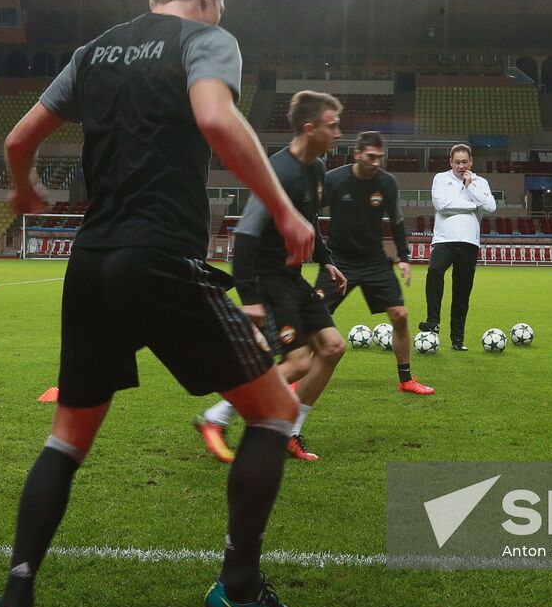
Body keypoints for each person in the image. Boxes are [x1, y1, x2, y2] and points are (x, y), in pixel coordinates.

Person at [0, 0, 315, 607]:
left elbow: (19, 139)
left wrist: (22, 189)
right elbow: (217, 120)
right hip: (159, 258)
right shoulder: (207, 38)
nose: (219, 10)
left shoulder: (95, 51)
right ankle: (240, 589)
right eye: (219, 0)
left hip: (92, 261)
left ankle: (14, 596)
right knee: (275, 413)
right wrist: (285, 211)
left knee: (67, 439)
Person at [193, 91, 349, 464]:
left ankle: (289, 431)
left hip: (292, 276)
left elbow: (307, 218)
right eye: (332, 126)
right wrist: (250, 297)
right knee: (297, 361)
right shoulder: (278, 172)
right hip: (267, 278)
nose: (339, 133)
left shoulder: (316, 169)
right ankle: (216, 417)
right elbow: (246, 233)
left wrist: (325, 259)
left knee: (331, 348)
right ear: (309, 129)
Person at [316, 130, 433, 395]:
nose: (376, 162)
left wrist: (403, 258)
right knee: (315, 318)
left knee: (400, 315)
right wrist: (316, 251)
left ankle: (405, 380)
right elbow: (309, 211)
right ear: (357, 154)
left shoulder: (387, 182)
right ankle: (299, 376)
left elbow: (397, 220)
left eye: (380, 157)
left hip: (374, 261)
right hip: (339, 260)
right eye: (371, 156)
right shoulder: (334, 179)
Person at [420, 143, 496, 351]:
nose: (461, 166)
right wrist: (473, 205)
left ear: (471, 162)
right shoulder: (440, 178)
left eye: (465, 162)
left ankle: (457, 338)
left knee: (462, 291)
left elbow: (491, 206)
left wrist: (470, 186)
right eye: (457, 162)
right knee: (434, 271)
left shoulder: (480, 182)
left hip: (470, 242)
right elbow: (441, 205)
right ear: (450, 162)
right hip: (444, 239)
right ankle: (432, 321)